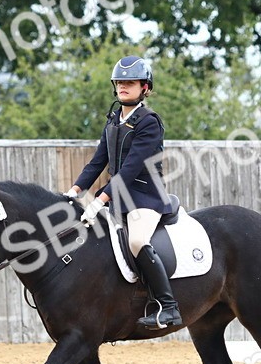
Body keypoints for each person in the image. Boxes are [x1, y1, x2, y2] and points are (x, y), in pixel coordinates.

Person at [66, 55, 183, 329]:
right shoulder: (113, 121)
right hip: (117, 198)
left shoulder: (149, 122)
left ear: (145, 87)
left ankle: (169, 307)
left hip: (145, 198)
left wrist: (100, 199)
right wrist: (73, 191)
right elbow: (97, 162)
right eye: (119, 82)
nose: (123, 87)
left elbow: (130, 170)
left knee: (137, 241)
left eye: (130, 82)